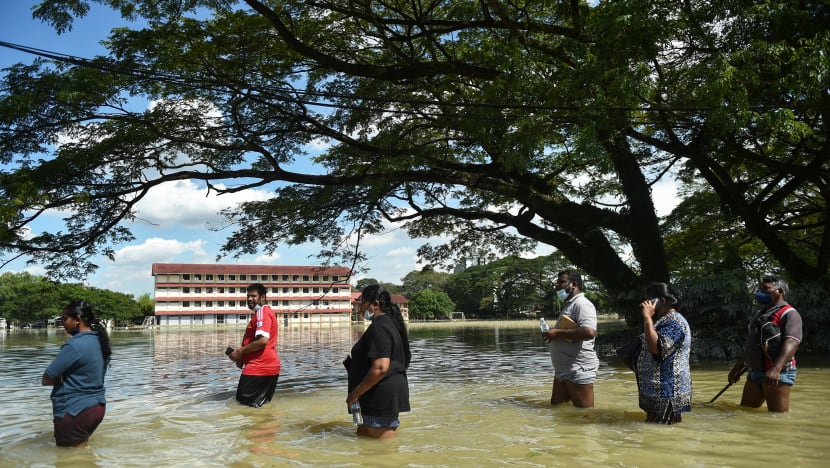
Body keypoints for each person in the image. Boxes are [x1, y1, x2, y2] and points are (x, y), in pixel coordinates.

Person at [727, 275, 802, 413]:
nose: (761, 293)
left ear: (780, 291)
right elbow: (752, 343)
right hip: (756, 372)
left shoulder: (790, 314)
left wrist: (776, 369)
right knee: (745, 413)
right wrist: (737, 367)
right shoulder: (760, 313)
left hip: (778, 373)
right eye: (761, 289)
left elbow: (792, 342)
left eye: (766, 289)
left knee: (777, 419)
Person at [42, 300, 111, 447]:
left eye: (65, 319)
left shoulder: (74, 345)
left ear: (77, 320)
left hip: (75, 410)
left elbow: (47, 378)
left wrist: (61, 378)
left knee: (67, 459)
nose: (62, 323)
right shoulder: (99, 341)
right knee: (79, 455)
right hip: (97, 408)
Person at [345, 284, 411, 438]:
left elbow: (380, 367)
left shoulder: (380, 327)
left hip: (379, 398)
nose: (360, 308)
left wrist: (354, 394)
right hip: (374, 397)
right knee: (366, 447)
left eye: (363, 303)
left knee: (382, 456)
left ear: (375, 305)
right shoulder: (386, 324)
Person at [634, 282, 692, 424]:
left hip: (667, 391)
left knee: (661, 435)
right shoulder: (663, 320)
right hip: (658, 390)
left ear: (662, 301)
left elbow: (657, 349)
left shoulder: (674, 322)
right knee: (657, 432)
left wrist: (647, 318)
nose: (645, 303)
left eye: (649, 299)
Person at [542, 270, 599, 408]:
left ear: (573, 284)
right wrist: (553, 334)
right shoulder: (570, 304)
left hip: (577, 368)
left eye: (561, 282)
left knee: (585, 415)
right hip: (563, 369)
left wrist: (558, 333)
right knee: (557, 408)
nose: (557, 285)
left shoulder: (582, 304)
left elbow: (589, 332)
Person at [228, 283, 281, 407]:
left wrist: (240, 351)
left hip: (258, 367)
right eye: (248, 296)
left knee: (243, 406)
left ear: (263, 297)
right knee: (260, 406)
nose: (249, 299)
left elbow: (262, 341)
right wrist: (242, 358)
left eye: (253, 296)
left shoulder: (262, 312)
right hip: (268, 367)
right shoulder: (263, 313)